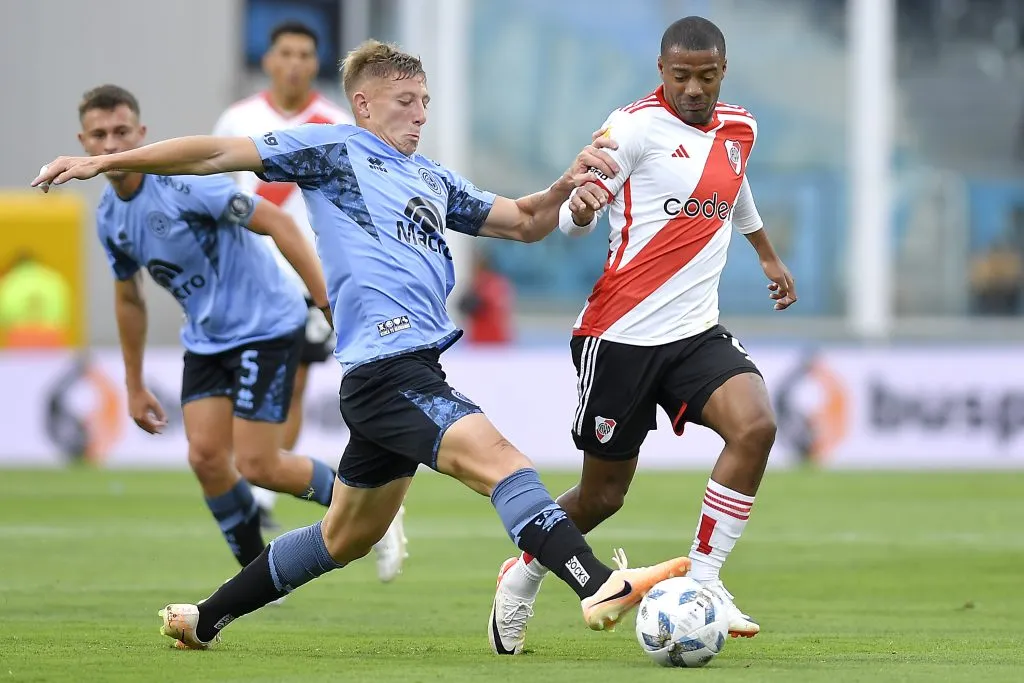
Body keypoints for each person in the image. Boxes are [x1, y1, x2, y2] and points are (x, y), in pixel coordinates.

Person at [35, 40, 693, 651]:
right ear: (364, 104)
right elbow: (216, 154)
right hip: (389, 370)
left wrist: (563, 183)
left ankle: (206, 618)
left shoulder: (433, 178)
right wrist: (109, 162)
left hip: (400, 372)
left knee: (345, 535)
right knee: (505, 465)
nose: (420, 113)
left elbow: (524, 223)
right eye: (405, 101)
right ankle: (597, 583)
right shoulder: (335, 151)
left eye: (425, 101)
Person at [487, 16, 797, 655]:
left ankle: (706, 581)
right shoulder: (629, 127)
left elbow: (735, 190)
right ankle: (520, 575)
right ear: (662, 72)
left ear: (722, 73)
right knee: (604, 496)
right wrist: (580, 208)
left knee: (757, 426)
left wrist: (766, 254)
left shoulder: (741, 129)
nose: (692, 88)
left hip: (694, 334)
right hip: (620, 336)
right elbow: (581, 205)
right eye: (680, 76)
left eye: (705, 77)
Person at [68, 84, 344, 575]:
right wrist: (132, 385)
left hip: (266, 323)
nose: (111, 145)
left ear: (142, 134)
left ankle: (368, 506)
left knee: (258, 464)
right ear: (83, 142)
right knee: (206, 457)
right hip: (208, 337)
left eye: (121, 132)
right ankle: (258, 573)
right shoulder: (110, 217)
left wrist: (324, 302)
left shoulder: (184, 184)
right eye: (100, 135)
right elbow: (129, 297)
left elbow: (276, 220)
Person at [213, 25, 412, 571]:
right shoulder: (239, 120)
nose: (296, 63)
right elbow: (225, 197)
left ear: (315, 62)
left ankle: (266, 488)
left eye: (306, 54)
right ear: (270, 61)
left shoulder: (334, 122)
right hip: (247, 284)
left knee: (295, 384)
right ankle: (275, 477)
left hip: (308, 284)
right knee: (254, 392)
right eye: (286, 53)